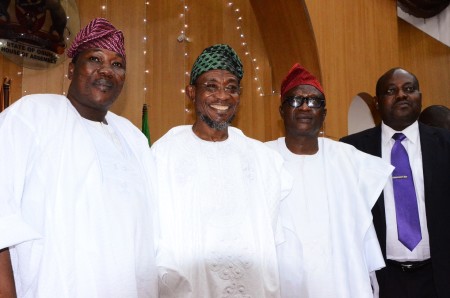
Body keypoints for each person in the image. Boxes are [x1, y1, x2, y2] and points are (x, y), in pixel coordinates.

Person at [0, 18, 158, 297]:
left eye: (117, 64)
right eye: (95, 59)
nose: (106, 71)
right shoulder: (32, 116)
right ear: (72, 68)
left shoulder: (134, 139)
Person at [151, 44, 292, 297]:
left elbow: (272, 236)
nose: (223, 97)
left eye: (231, 88)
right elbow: (155, 233)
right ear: (191, 92)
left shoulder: (261, 159)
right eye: (211, 86)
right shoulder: (165, 153)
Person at [266, 63, 393, 298]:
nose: (305, 107)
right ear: (281, 110)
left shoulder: (349, 159)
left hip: (342, 280)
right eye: (295, 100)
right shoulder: (262, 160)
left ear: (324, 114)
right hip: (283, 282)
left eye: (314, 101)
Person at [340, 67, 450, 298]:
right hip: (382, 277)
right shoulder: (352, 150)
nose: (402, 95)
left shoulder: (445, 143)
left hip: (439, 273)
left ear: (420, 97)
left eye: (409, 89)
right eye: (391, 90)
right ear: (377, 103)